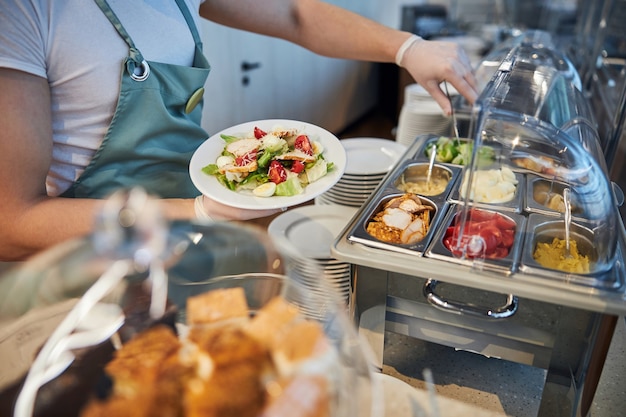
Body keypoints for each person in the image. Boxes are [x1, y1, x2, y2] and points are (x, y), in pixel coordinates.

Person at [0, 0, 477, 262]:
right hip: (87, 266)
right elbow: (11, 224)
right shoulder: (24, 12)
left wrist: (407, 48)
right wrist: (198, 210)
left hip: (186, 235)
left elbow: (294, 13)